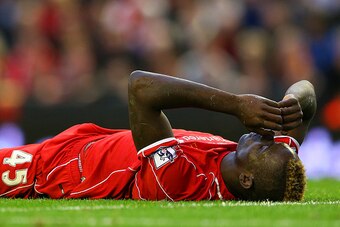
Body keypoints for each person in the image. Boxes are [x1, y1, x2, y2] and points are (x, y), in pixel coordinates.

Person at [0, 71, 316, 201]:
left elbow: (140, 86)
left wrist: (235, 104)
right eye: (272, 141)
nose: (265, 138)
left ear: (246, 180)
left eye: (263, 149)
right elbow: (307, 93)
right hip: (88, 141)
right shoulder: (276, 163)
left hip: (60, 169)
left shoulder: (180, 181)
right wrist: (288, 106)